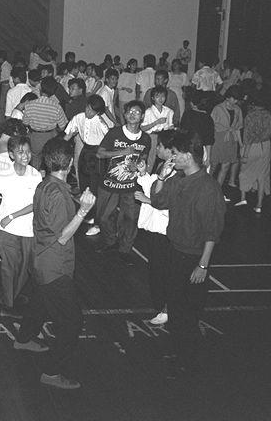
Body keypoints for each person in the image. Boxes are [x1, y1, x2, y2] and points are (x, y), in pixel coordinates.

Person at [13, 137, 96, 390]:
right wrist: (83, 210)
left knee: (39, 302)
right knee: (72, 322)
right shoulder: (58, 193)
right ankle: (51, 371)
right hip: (54, 265)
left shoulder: (45, 184)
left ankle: (24, 338)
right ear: (69, 163)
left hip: (39, 259)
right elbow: (63, 236)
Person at [150, 131, 225, 378]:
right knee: (176, 308)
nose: (172, 158)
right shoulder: (179, 179)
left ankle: (190, 362)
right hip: (175, 251)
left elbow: (212, 231)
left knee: (188, 315)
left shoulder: (207, 188)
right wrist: (161, 178)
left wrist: (202, 266)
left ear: (189, 156)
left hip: (193, 258)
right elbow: (159, 201)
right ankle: (180, 353)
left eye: (176, 154)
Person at [0, 135, 41, 309]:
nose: (25, 156)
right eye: (20, 152)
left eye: (27, 151)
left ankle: (14, 295)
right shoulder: (3, 175)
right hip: (5, 230)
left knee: (25, 267)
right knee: (10, 266)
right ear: (11, 155)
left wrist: (13, 216)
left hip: (28, 230)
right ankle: (8, 302)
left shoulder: (36, 175)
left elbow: (35, 204)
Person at [95, 101, 151, 264]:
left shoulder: (146, 138)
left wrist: (141, 165)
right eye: (130, 111)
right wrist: (122, 152)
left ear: (142, 117)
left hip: (131, 186)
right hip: (109, 183)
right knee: (104, 217)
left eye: (137, 112)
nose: (133, 114)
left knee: (130, 219)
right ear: (125, 115)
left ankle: (125, 249)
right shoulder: (115, 133)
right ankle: (111, 241)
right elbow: (99, 153)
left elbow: (144, 158)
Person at [134, 130, 177, 326]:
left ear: (171, 150)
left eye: (160, 146)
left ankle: (167, 308)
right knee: (156, 271)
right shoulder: (163, 167)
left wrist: (147, 200)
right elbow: (154, 185)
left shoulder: (177, 173)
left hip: (166, 230)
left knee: (165, 271)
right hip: (156, 230)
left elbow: (167, 202)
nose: (157, 148)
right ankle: (162, 306)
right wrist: (143, 174)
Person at [63, 95, 110, 236]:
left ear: (98, 113)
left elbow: (109, 143)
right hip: (85, 151)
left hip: (98, 154)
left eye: (92, 111)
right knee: (84, 184)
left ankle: (97, 222)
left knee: (96, 188)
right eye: (87, 108)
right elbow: (68, 134)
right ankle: (88, 214)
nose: (88, 112)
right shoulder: (78, 117)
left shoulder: (102, 124)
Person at [235, 96, 271, 213]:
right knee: (262, 176)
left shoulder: (250, 116)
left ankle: (243, 199)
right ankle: (259, 205)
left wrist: (245, 154)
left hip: (252, 148)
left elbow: (248, 137)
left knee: (244, 172)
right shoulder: (268, 115)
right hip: (266, 145)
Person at [22, 80, 68, 169]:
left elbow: (25, 123)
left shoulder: (29, 105)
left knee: (35, 162)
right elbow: (63, 127)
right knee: (51, 162)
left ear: (40, 89)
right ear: (53, 92)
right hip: (51, 136)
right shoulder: (57, 107)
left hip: (35, 137)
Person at [210, 86, 244, 193]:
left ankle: (217, 191)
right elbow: (210, 125)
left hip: (231, 140)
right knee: (213, 165)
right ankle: (206, 188)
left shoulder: (238, 110)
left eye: (237, 99)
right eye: (234, 98)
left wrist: (241, 144)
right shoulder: (218, 108)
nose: (235, 101)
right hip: (218, 138)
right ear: (228, 97)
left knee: (225, 166)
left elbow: (238, 128)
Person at [142, 85, 175, 171]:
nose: (161, 99)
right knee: (150, 159)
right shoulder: (148, 112)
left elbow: (170, 126)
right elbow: (142, 128)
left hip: (164, 137)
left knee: (166, 158)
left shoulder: (169, 111)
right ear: (153, 98)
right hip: (152, 137)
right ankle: (147, 176)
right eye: (157, 96)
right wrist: (156, 122)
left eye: (163, 96)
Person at [180, 89, 215, 168]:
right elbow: (209, 140)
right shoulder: (208, 118)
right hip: (200, 150)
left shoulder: (187, 114)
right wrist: (208, 158)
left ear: (192, 103)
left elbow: (182, 132)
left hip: (185, 148)